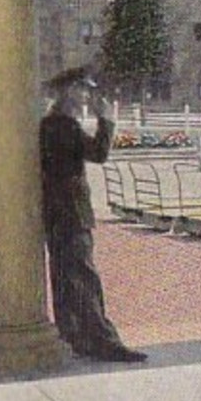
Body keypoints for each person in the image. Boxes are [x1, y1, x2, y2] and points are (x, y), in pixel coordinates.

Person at [39, 66, 147, 363]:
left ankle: (74, 336)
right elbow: (99, 153)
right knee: (84, 278)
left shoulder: (49, 124)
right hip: (72, 213)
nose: (87, 95)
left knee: (65, 278)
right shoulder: (65, 126)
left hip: (54, 213)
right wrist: (108, 120)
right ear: (70, 91)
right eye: (83, 89)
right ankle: (103, 341)